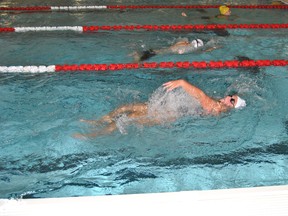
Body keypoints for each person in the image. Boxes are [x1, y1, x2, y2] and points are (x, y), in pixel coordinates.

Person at [74, 79, 246, 139]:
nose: (229, 96)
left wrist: (182, 83)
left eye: (232, 99)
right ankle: (97, 121)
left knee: (127, 117)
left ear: (230, 106)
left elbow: (200, 95)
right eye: (232, 95)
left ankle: (92, 135)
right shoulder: (218, 104)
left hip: (169, 115)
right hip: (170, 109)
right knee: (127, 106)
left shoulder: (214, 106)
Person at [132, 38, 218, 62]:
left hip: (167, 49)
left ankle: (139, 53)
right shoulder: (189, 49)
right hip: (165, 52)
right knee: (151, 54)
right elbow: (202, 51)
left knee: (156, 51)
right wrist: (213, 47)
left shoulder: (184, 42)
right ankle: (138, 56)